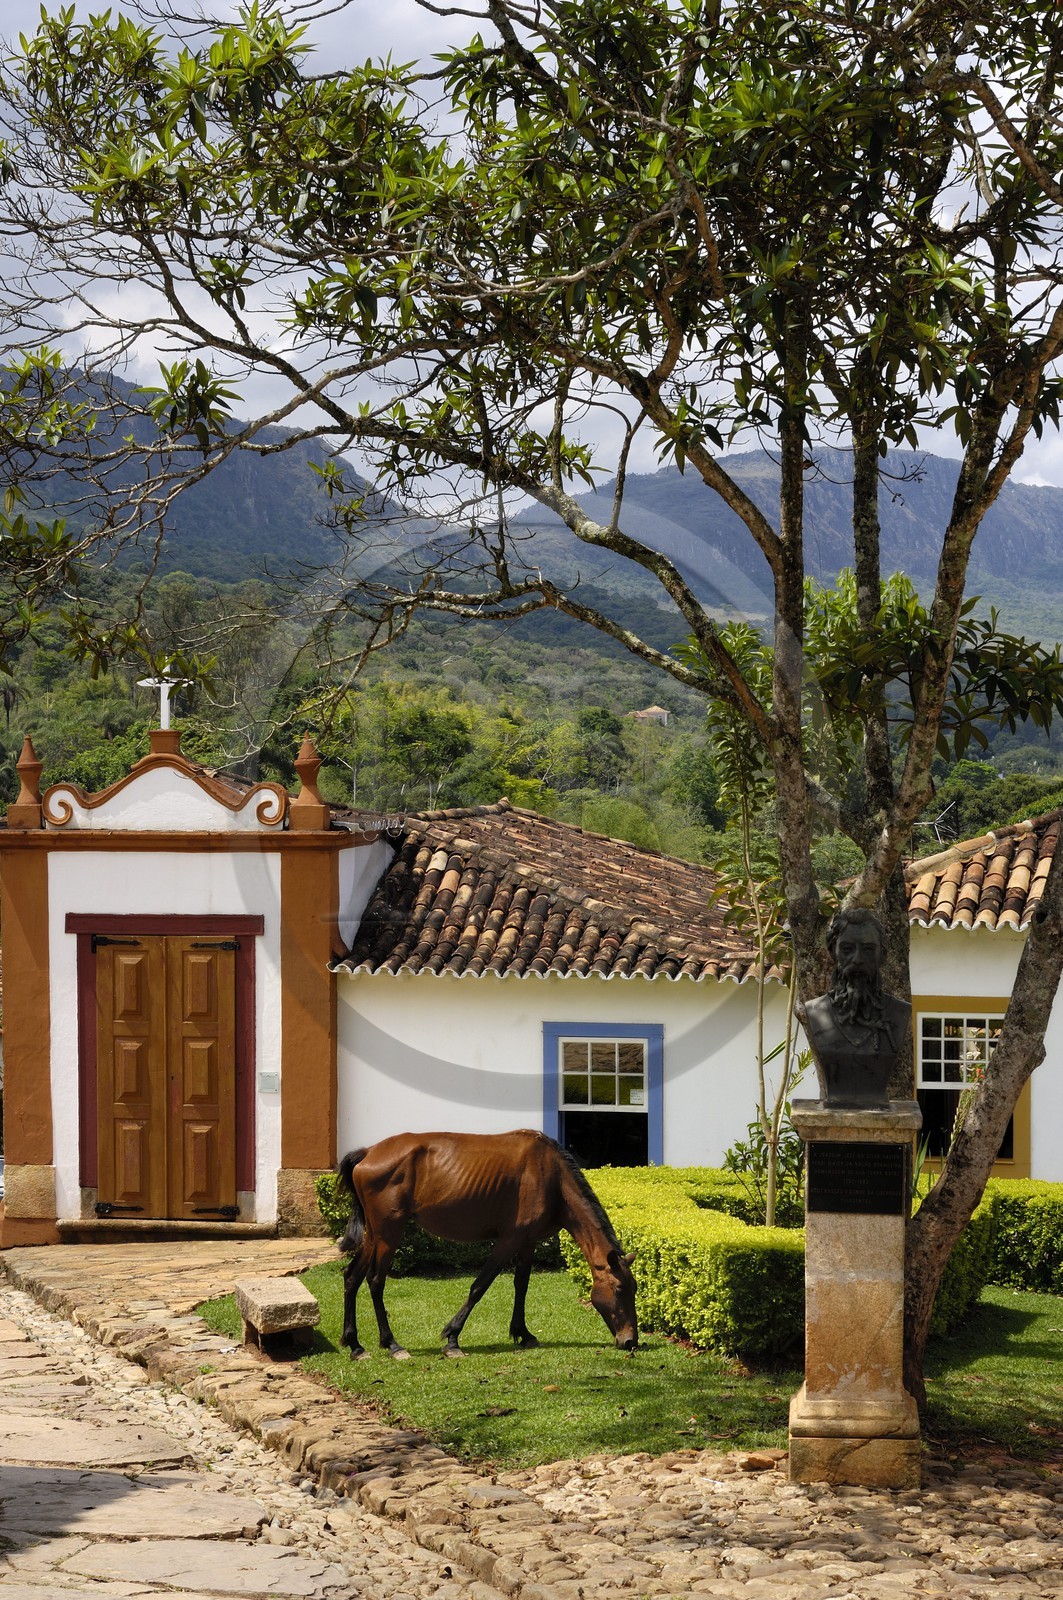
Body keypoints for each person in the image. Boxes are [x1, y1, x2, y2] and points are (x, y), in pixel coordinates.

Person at [797, 907, 911, 1106]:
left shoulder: (899, 1013)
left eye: (868, 950)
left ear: (882, 955)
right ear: (833, 953)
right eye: (847, 949)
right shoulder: (815, 1012)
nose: (857, 960)